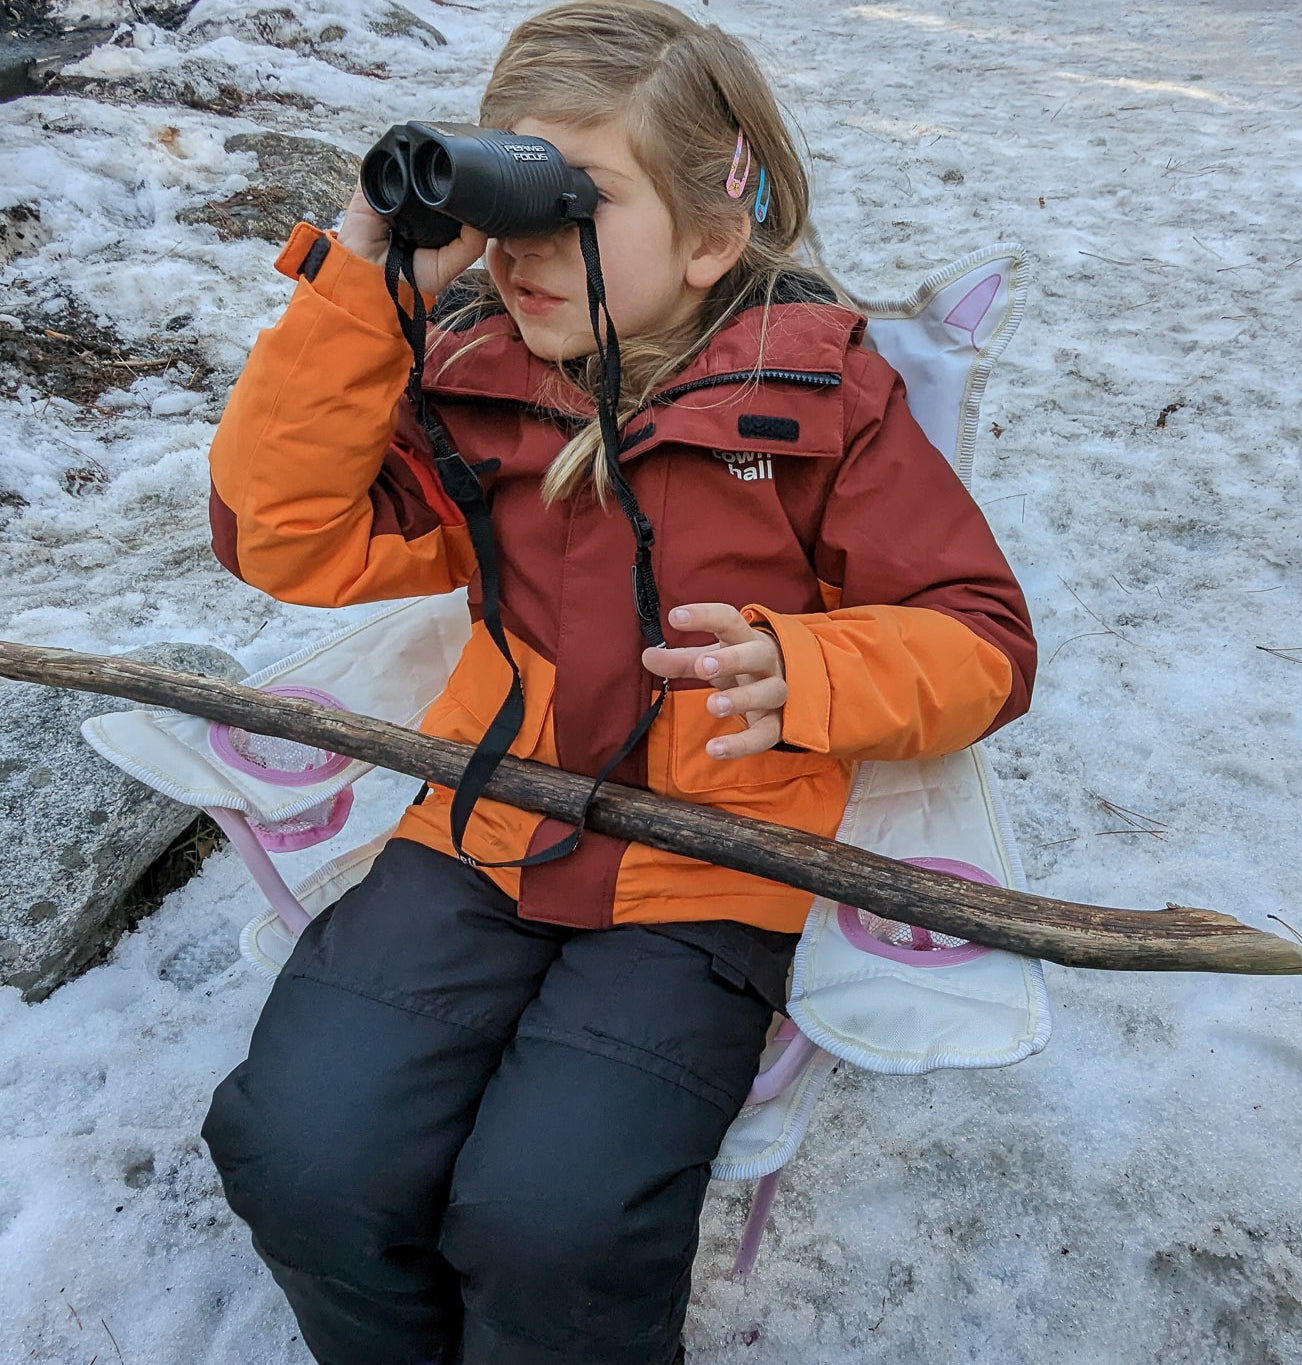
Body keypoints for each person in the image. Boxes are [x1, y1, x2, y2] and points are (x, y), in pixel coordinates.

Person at [200, 2, 1036, 1362]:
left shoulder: (822, 401)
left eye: (572, 202)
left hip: (710, 868)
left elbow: (982, 637)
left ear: (709, 237)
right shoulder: (472, 382)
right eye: (505, 195)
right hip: (484, 825)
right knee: (300, 1150)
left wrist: (812, 666)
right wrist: (362, 276)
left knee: (555, 1220)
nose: (522, 247)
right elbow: (281, 536)